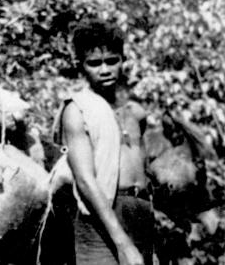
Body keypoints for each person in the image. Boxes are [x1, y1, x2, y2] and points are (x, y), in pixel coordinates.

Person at [56, 18, 154, 265]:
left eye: (112, 61)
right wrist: (122, 243)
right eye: (94, 63)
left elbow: (144, 173)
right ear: (81, 66)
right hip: (102, 216)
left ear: (123, 60)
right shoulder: (78, 111)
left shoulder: (135, 113)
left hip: (139, 212)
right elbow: (86, 182)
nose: (105, 70)